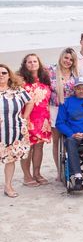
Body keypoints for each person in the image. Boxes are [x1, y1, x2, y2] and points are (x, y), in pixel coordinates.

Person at [18, 54, 52, 187]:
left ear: (39, 63)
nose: (32, 64)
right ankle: (27, 176)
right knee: (28, 148)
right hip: (27, 118)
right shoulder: (21, 81)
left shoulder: (45, 78)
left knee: (39, 146)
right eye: (29, 62)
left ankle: (37, 173)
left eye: (34, 61)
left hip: (43, 119)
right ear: (25, 65)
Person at [0, 64, 34, 197]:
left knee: (10, 159)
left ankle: (8, 186)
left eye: (4, 72)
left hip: (14, 130)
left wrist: (24, 117)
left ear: (9, 75)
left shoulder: (17, 90)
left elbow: (29, 102)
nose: (1, 75)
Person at [49, 47, 79, 179]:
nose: (68, 61)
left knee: (70, 138)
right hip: (55, 109)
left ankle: (72, 167)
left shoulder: (75, 74)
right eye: (66, 58)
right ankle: (59, 171)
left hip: (71, 110)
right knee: (56, 141)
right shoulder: (50, 71)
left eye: (71, 59)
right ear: (61, 57)